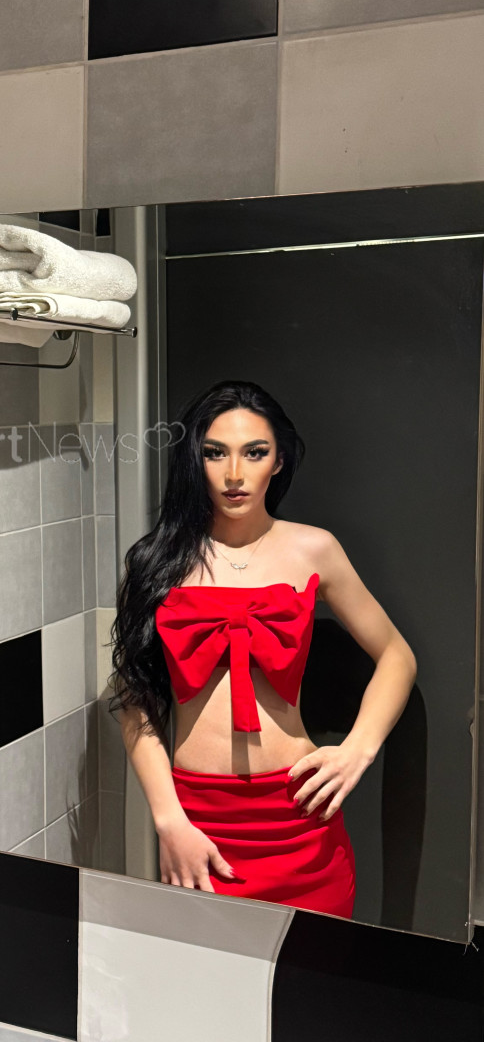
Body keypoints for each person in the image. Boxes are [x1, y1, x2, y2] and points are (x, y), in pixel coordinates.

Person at [108, 379, 417, 917]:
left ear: (278, 461)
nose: (234, 473)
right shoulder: (156, 560)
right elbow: (133, 697)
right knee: (205, 966)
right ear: (195, 460)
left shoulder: (313, 548)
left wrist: (358, 750)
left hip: (299, 815)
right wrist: (169, 819)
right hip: (199, 824)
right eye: (215, 453)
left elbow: (397, 655)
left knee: (313, 966)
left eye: (254, 452)